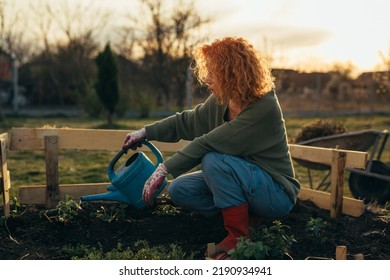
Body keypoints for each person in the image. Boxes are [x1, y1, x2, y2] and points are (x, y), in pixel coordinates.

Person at [123, 37, 301, 259]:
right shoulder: (224, 100)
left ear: (231, 73)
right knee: (179, 189)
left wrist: (163, 169)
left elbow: (208, 142)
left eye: (212, 72)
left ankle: (238, 238)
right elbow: (187, 122)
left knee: (213, 160)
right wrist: (146, 132)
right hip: (246, 182)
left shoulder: (264, 108)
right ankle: (246, 220)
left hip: (275, 192)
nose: (206, 79)